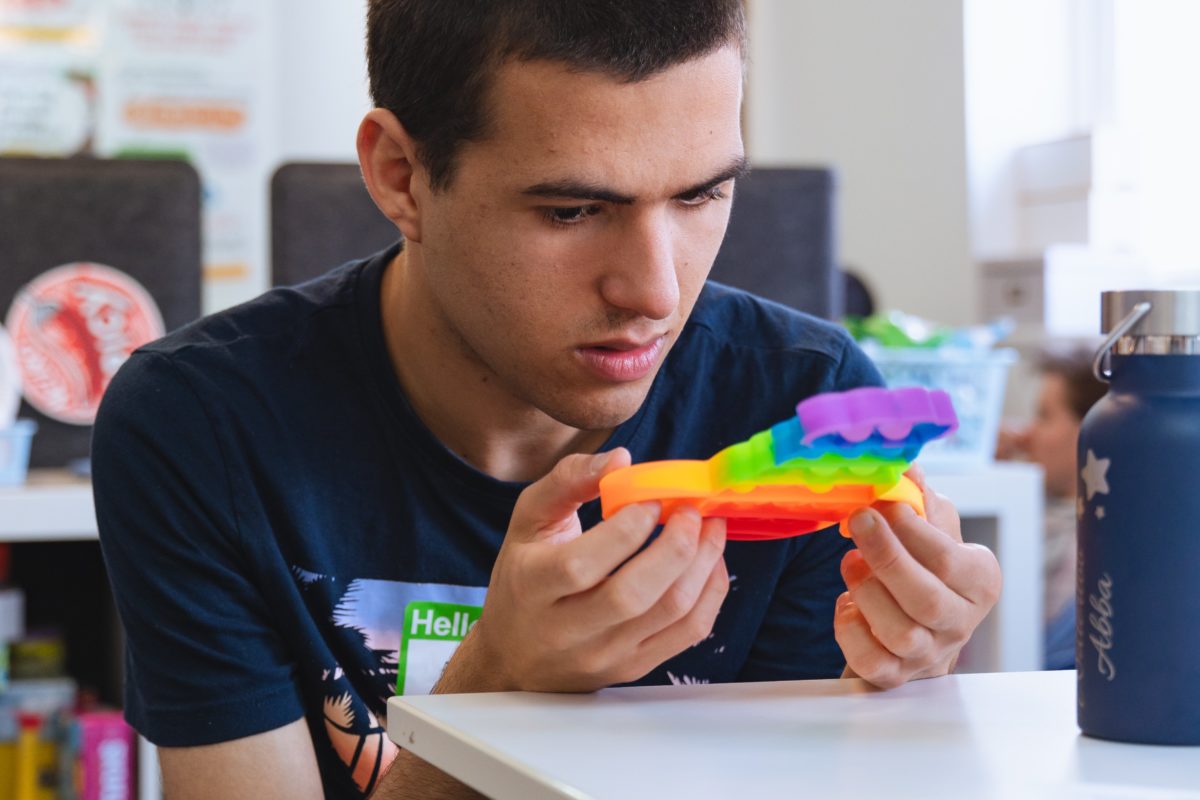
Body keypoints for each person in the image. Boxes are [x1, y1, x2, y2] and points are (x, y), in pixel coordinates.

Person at [92, 2, 1001, 798]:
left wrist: (903, 686)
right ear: (401, 176)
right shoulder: (198, 424)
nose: (654, 292)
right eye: (571, 211)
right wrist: (497, 681)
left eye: (702, 194)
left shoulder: (807, 402)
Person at [997, 344, 1106, 669]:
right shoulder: (1035, 512)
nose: (1027, 433)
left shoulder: (1090, 544)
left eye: (1044, 416)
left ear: (1093, 430)